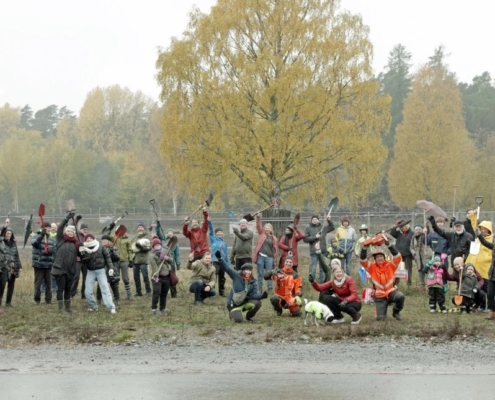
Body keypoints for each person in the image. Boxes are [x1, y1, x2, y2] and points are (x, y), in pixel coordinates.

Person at [360, 236, 405, 321]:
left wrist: (389, 245)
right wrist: (364, 248)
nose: (379, 258)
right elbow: (362, 261)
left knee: (400, 296)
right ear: (375, 259)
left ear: (384, 257)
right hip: (379, 296)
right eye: (377, 257)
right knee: (380, 319)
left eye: (381, 256)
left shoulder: (391, 265)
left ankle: (396, 312)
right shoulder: (372, 267)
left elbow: (398, 257)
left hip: (391, 292)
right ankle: (383, 310)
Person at [215, 250, 267, 323]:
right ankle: (233, 313)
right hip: (233, 304)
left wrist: (261, 296)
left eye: (249, 270)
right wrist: (220, 258)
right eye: (246, 270)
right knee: (238, 320)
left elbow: (253, 295)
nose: (248, 272)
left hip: (244, 303)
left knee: (258, 303)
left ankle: (249, 317)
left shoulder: (253, 282)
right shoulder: (236, 275)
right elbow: (227, 268)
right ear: (243, 270)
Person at [80, 232, 116, 314]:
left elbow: (107, 257)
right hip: (90, 271)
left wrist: (111, 268)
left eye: (90, 238)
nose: (89, 239)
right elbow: (83, 261)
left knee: (105, 289)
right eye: (87, 238)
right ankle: (93, 306)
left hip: (101, 271)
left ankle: (110, 307)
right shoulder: (83, 248)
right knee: (88, 291)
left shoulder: (100, 246)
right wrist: (81, 252)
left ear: (93, 238)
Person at [51, 213, 79, 313]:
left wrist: (83, 249)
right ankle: (61, 308)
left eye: (72, 232)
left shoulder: (76, 244)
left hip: (70, 270)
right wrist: (66, 218)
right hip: (60, 269)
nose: (70, 233)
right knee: (61, 289)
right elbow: (60, 228)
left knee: (68, 289)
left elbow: (82, 256)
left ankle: (68, 307)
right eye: (68, 231)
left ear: (74, 233)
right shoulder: (60, 240)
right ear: (65, 232)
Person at [303, 215, 335, 283]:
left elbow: (332, 227)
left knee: (322, 268)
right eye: (313, 219)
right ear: (311, 220)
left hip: (322, 251)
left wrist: (329, 220)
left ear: (318, 220)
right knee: (313, 268)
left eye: (316, 219)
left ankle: (322, 283)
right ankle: (313, 283)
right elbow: (305, 239)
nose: (314, 220)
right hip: (314, 252)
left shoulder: (322, 227)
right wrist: (315, 237)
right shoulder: (308, 228)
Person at [31, 222, 57, 305]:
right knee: (38, 283)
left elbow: (55, 250)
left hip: (49, 264)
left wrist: (50, 250)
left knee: (49, 283)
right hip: (39, 264)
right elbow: (34, 244)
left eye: (49, 228)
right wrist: (41, 236)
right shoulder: (36, 236)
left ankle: (48, 299)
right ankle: (37, 299)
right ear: (42, 228)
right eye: (46, 228)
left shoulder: (52, 239)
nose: (48, 229)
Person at [253, 216, 278, 293]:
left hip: (269, 257)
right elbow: (258, 226)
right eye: (266, 228)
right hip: (261, 256)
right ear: (264, 229)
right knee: (260, 273)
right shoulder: (261, 234)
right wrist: (258, 218)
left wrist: (275, 259)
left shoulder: (274, 238)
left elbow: (275, 250)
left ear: (271, 229)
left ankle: (270, 287)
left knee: (269, 272)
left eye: (268, 228)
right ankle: (259, 289)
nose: (267, 229)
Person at [108, 223, 133, 301]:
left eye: (123, 231)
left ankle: (129, 295)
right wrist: (110, 228)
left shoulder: (127, 240)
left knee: (125, 279)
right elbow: (106, 236)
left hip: (124, 261)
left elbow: (129, 250)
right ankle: (116, 295)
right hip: (115, 261)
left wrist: (130, 260)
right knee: (116, 279)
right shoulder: (113, 237)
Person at [1, 219, 22, 308]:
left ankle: (8, 302)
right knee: (2, 285)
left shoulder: (13, 243)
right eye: (7, 233)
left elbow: (16, 254)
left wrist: (19, 266)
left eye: (10, 234)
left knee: (11, 285)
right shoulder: (1, 242)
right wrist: (5, 225)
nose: (8, 235)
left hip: (13, 266)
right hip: (5, 267)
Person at [156, 223, 180, 298]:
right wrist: (158, 225)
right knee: (163, 277)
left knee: (172, 278)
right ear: (166, 234)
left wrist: (178, 263)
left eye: (171, 233)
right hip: (163, 262)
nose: (170, 234)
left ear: (173, 234)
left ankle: (174, 293)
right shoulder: (163, 240)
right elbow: (158, 233)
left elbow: (177, 254)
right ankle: (162, 292)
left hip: (171, 262)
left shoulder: (175, 244)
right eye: (169, 232)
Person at [96, 235, 121, 306]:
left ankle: (117, 300)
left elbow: (117, 258)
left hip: (111, 269)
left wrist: (112, 251)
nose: (103, 242)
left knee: (114, 285)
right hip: (102, 269)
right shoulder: (99, 249)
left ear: (109, 242)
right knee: (100, 285)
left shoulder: (114, 249)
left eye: (105, 241)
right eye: (102, 241)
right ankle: (98, 300)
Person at [149, 237, 171, 316]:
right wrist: (156, 276)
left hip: (167, 276)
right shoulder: (152, 256)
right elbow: (154, 267)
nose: (157, 246)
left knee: (164, 294)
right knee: (156, 292)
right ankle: (154, 309)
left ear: (161, 245)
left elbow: (172, 261)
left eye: (159, 245)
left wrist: (167, 258)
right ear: (153, 247)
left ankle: (162, 309)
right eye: (156, 245)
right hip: (157, 277)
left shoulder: (165, 252)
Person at [390, 220, 414, 286]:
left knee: (408, 269)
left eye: (404, 226)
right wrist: (395, 226)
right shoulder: (398, 233)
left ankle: (409, 284)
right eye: (401, 227)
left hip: (407, 254)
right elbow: (392, 233)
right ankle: (395, 284)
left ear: (407, 225)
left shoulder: (412, 233)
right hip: (399, 254)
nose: (403, 228)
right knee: (397, 269)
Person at [208, 217, 228, 297]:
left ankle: (222, 292)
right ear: (216, 234)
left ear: (223, 233)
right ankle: (212, 292)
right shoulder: (213, 239)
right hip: (215, 261)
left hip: (222, 261)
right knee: (213, 276)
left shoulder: (224, 243)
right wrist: (210, 222)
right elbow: (211, 231)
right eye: (218, 232)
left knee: (222, 277)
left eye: (221, 232)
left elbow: (226, 253)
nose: (219, 233)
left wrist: (227, 264)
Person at [131, 222, 151, 296]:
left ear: (144, 229)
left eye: (141, 227)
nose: (140, 228)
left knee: (145, 276)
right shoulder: (134, 238)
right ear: (137, 229)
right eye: (139, 227)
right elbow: (131, 247)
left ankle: (148, 291)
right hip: (135, 260)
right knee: (136, 277)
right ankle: (138, 292)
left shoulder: (147, 237)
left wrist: (141, 248)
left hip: (143, 260)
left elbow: (149, 247)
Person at [410, 224, 432, 291]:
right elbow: (411, 247)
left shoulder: (425, 235)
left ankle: (430, 285)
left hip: (425, 257)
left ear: (422, 230)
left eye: (419, 230)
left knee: (428, 270)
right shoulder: (413, 237)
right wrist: (414, 253)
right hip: (418, 258)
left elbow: (428, 232)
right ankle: (422, 285)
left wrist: (427, 227)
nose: (418, 231)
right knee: (420, 271)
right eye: (416, 230)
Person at [71, 222, 89, 299]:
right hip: (77, 259)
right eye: (84, 229)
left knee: (86, 277)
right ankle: (72, 293)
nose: (86, 231)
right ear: (80, 229)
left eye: (87, 229)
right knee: (76, 277)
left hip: (86, 259)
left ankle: (84, 294)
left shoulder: (88, 237)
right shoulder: (76, 236)